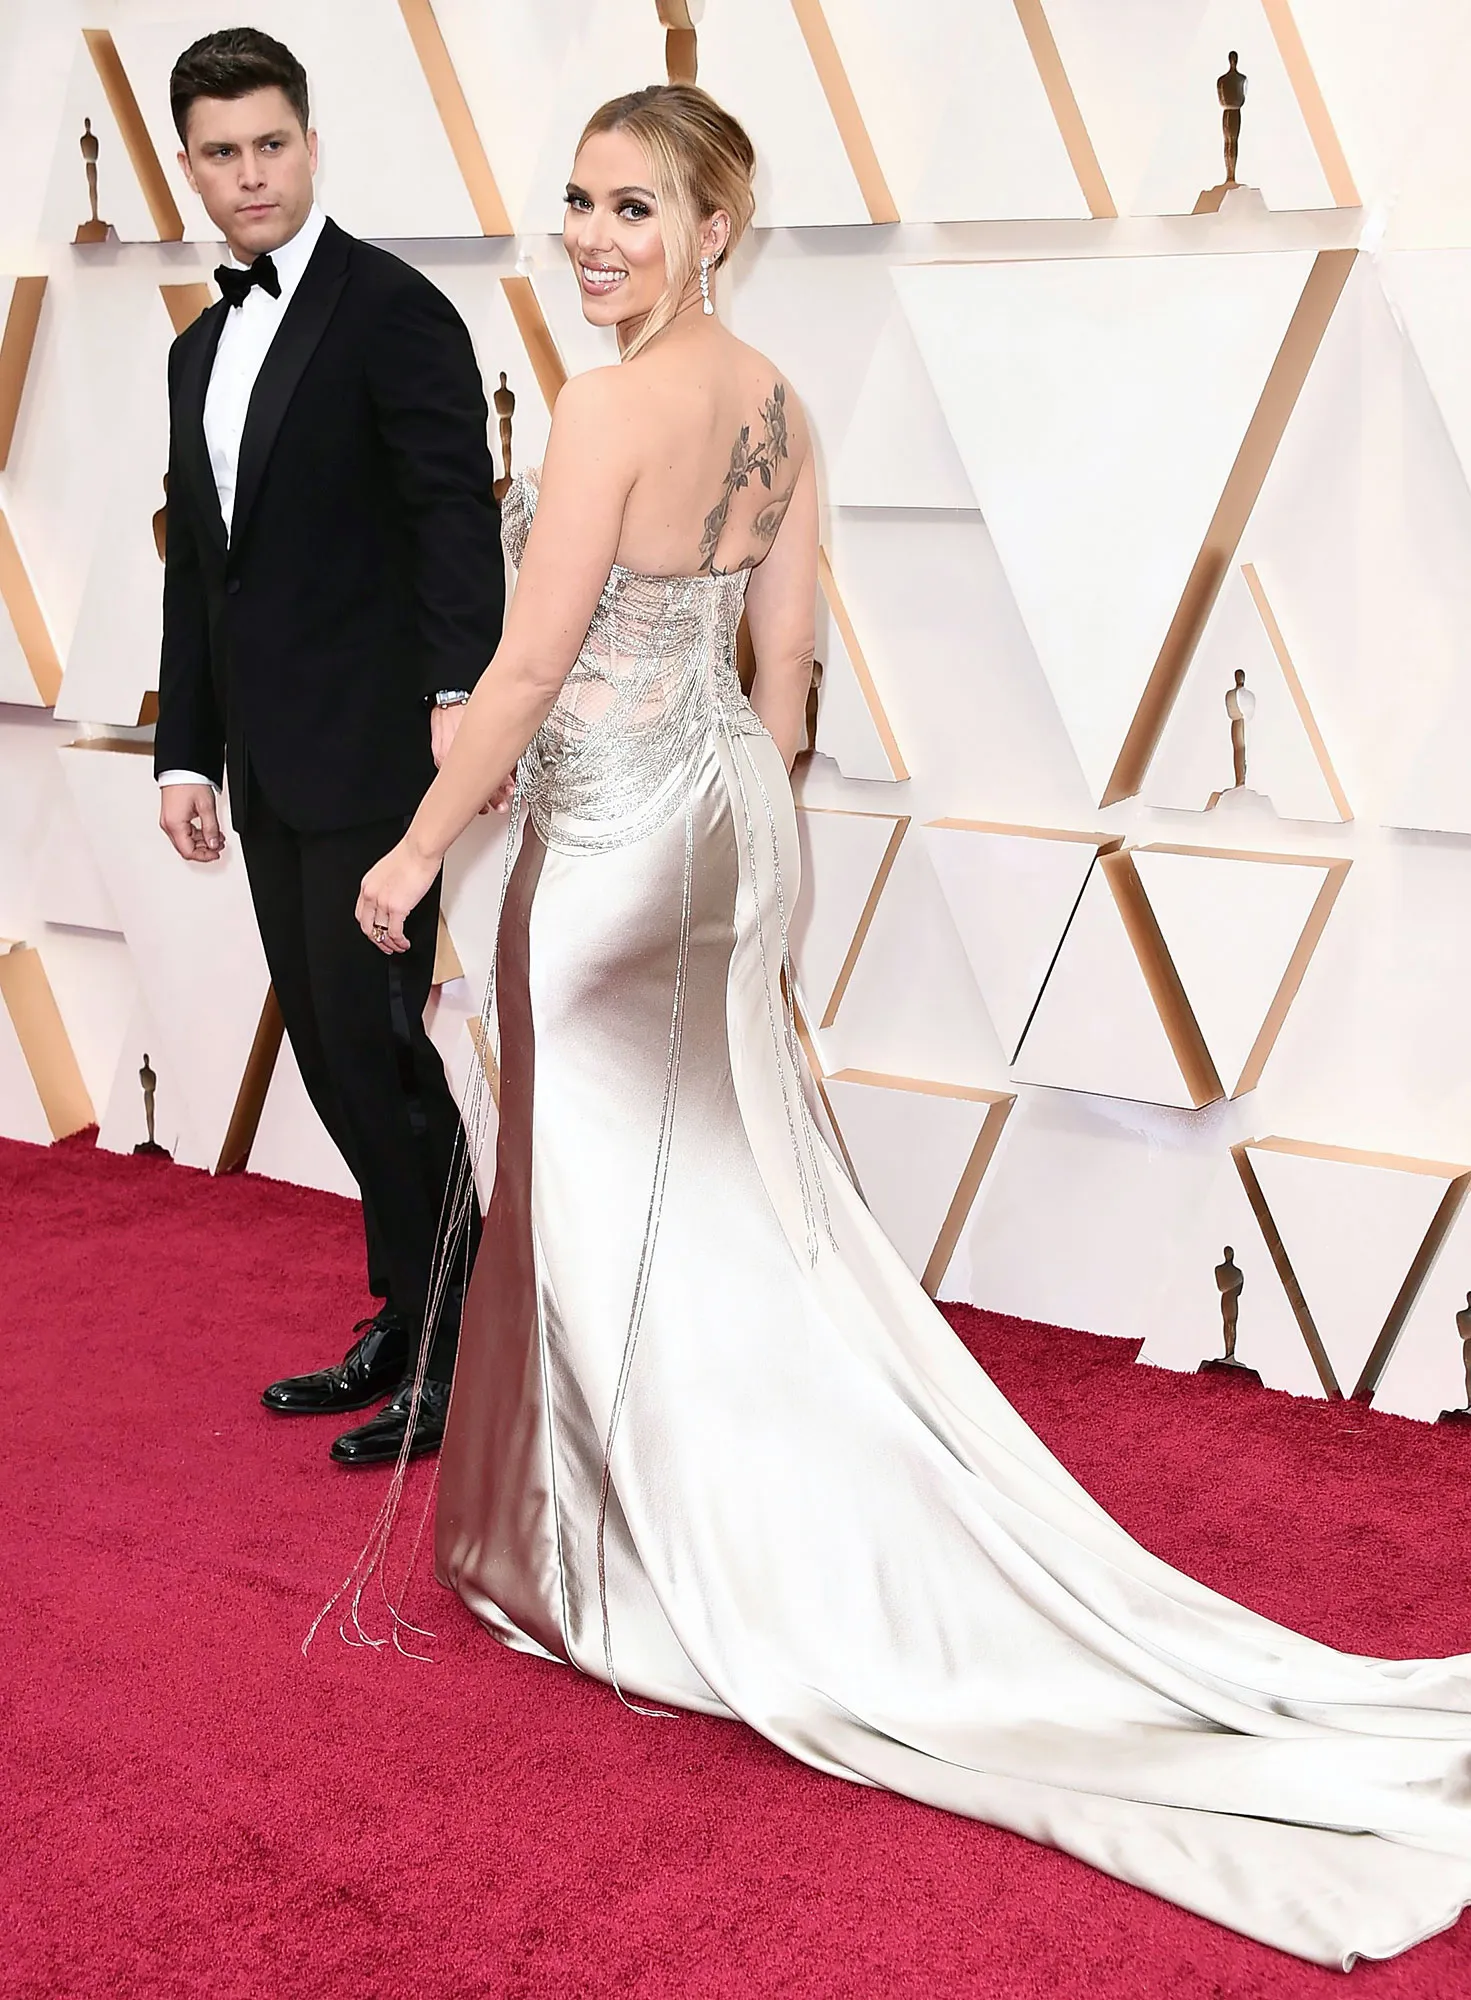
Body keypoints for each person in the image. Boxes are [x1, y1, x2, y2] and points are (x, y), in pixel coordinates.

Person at [346, 86, 1471, 1967]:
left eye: (635, 207)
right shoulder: (778, 402)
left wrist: (413, 846)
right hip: (728, 820)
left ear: (717, 224)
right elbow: (784, 661)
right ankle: (718, 1504)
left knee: (620, 1196)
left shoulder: (608, 407)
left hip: (611, 845)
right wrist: (741, 809)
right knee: (734, 1192)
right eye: (579, 203)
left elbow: (531, 665)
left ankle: (653, 1555)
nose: (593, 237)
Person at [154, 28, 503, 1465]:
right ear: (190, 165)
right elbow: (200, 566)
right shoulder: (195, 348)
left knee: (379, 1047)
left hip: (377, 755)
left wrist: (460, 697)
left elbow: (452, 518)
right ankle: (408, 1317)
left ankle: (461, 1352)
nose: (251, 174)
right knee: (331, 1050)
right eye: (222, 153)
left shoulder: (395, 309)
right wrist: (185, 752)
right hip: (267, 764)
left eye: (272, 145)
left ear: (311, 144)